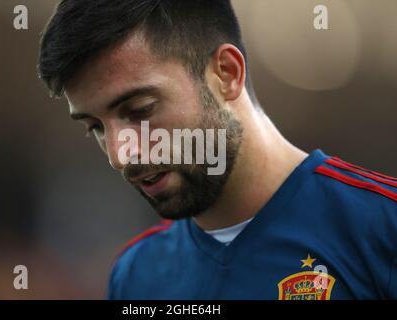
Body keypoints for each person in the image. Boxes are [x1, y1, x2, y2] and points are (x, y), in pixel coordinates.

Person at [38, 0, 397, 299]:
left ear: (226, 73)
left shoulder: (381, 230)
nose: (120, 155)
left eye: (140, 110)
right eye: (96, 128)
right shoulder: (135, 276)